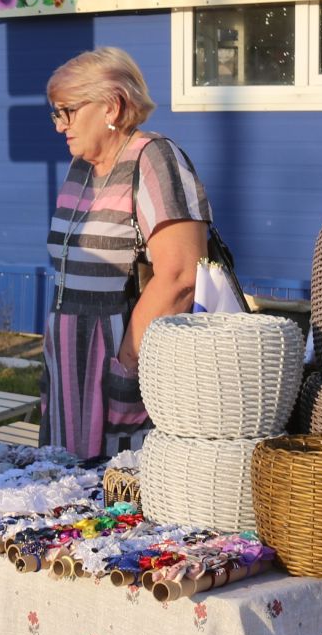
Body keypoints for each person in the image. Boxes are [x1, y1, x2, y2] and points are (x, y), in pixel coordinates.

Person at [41, 47, 210, 458]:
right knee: (67, 496)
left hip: (124, 356)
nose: (60, 125)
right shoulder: (82, 168)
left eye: (67, 111)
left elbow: (180, 276)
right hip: (72, 363)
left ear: (112, 105)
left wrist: (126, 365)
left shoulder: (154, 159)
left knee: (120, 492)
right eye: (55, 113)